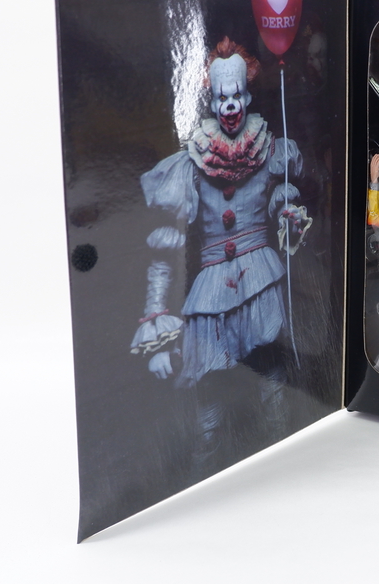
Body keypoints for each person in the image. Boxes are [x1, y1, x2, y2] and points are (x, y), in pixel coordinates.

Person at [129, 36, 311, 472]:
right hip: (211, 291)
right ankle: (201, 478)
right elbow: (163, 251)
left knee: (272, 385)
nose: (230, 106)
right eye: (221, 97)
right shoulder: (192, 162)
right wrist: (157, 333)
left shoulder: (268, 149)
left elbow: (278, 197)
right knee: (207, 404)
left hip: (260, 279)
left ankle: (283, 466)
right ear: (211, 101)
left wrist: (287, 215)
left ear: (246, 97)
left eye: (236, 96)